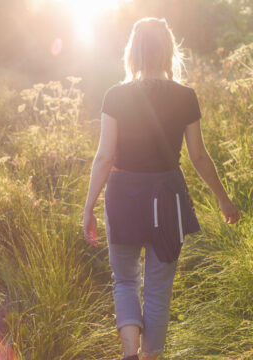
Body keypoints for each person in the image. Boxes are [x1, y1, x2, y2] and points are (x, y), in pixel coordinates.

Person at [82, 17, 240, 360]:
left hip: (123, 194)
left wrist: (89, 207)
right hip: (169, 196)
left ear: (133, 52)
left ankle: (129, 354)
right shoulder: (186, 96)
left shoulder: (116, 95)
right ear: (168, 50)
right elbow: (198, 156)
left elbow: (105, 156)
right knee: (158, 290)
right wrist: (224, 200)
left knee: (124, 280)